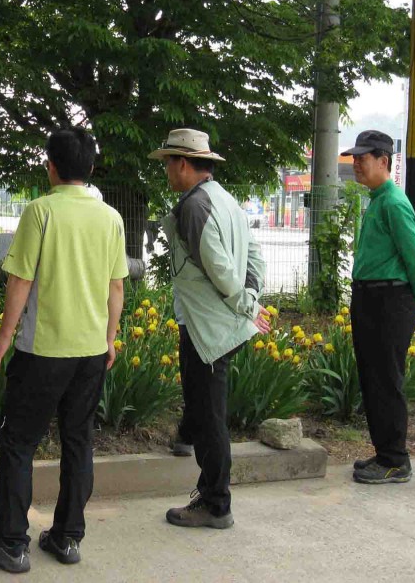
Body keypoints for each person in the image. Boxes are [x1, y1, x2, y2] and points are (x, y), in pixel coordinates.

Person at [0, 128, 128, 574]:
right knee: (78, 443)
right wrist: (110, 338)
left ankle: (11, 545)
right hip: (91, 352)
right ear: (92, 168)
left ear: (50, 166)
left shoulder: (40, 212)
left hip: (42, 352)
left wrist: (2, 339)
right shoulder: (111, 218)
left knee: (19, 443)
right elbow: (116, 287)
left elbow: (19, 281)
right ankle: (67, 539)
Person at [149, 128, 270, 530]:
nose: (166, 169)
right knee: (204, 408)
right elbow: (253, 255)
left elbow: (217, 266)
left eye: (168, 162)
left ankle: (216, 503)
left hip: (209, 330)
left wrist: (247, 304)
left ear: (183, 163)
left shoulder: (194, 207)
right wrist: (251, 297)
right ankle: (202, 475)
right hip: (224, 324)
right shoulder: (224, 199)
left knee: (209, 416)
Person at [342, 130, 415, 484]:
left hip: (390, 300)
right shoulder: (378, 200)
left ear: (384, 161)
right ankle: (384, 453)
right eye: (355, 159)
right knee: (372, 378)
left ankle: (396, 459)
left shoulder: (393, 203)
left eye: (363, 158)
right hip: (371, 297)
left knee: (386, 379)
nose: (357, 165)